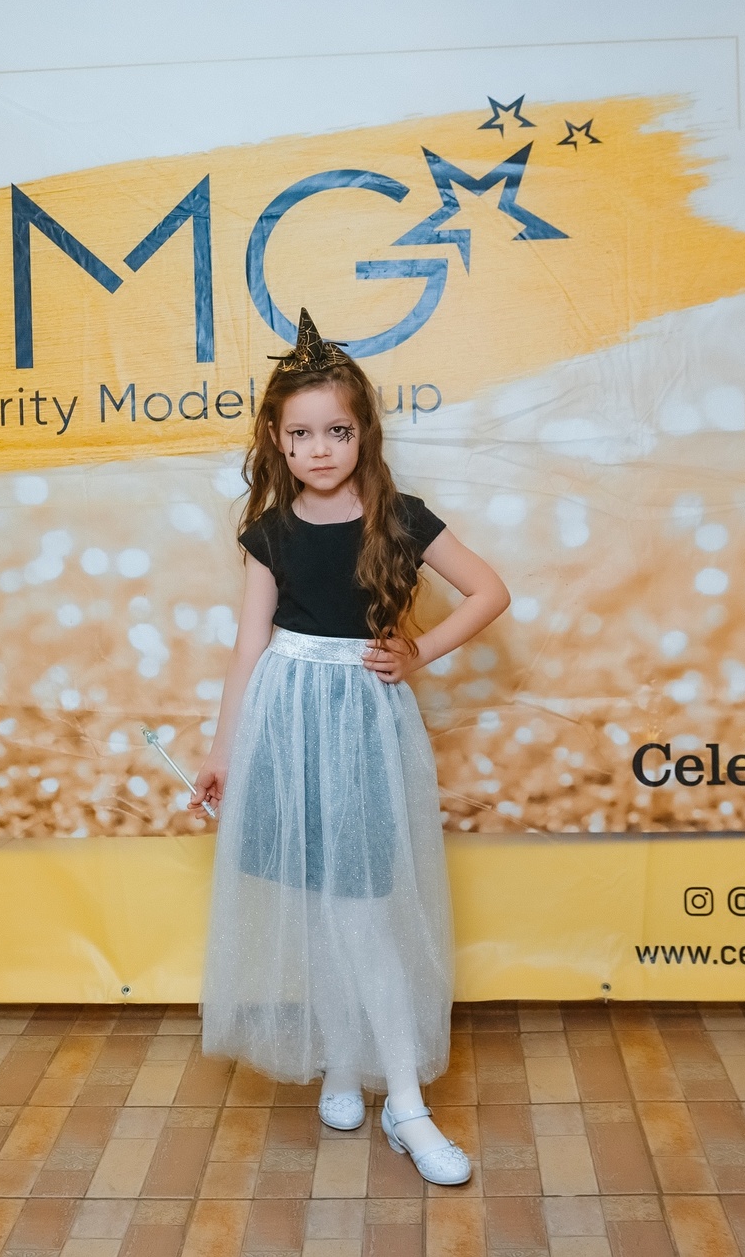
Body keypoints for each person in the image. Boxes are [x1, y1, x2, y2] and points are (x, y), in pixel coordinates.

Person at [193, 309, 510, 1187]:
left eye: (337, 430)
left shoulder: (399, 517)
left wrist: (418, 653)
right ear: (276, 439)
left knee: (363, 909)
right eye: (301, 434)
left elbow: (489, 591)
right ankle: (341, 1061)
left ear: (363, 431)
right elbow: (249, 646)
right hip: (285, 719)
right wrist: (224, 750)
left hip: (364, 722)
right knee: (318, 902)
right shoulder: (270, 532)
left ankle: (405, 1102)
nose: (320, 448)